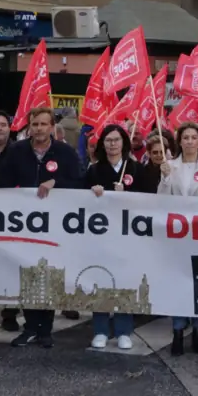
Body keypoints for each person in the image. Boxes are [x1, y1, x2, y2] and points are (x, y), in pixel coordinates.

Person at [0, 108, 82, 348]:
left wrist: (56, 182)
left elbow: (80, 180)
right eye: (34, 124)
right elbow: (3, 180)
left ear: (52, 126)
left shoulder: (65, 152)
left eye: (43, 124)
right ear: (29, 126)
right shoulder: (16, 151)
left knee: (48, 275)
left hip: (54, 226)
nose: (38, 129)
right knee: (28, 275)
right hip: (23, 224)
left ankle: (45, 329)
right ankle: (30, 327)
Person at [157, 121, 198, 356]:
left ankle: (197, 331)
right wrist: (164, 179)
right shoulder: (170, 166)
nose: (189, 142)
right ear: (180, 141)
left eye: (193, 138)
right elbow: (161, 199)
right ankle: (177, 331)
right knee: (178, 282)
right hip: (177, 234)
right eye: (185, 138)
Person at [86, 124, 142, 351]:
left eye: (116, 140)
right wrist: (93, 192)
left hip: (127, 236)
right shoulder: (94, 170)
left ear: (124, 143)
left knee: (124, 281)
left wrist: (126, 196)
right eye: (108, 140)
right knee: (100, 279)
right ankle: (100, 329)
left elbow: (148, 199)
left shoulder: (136, 169)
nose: (112, 144)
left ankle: (123, 331)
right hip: (100, 236)